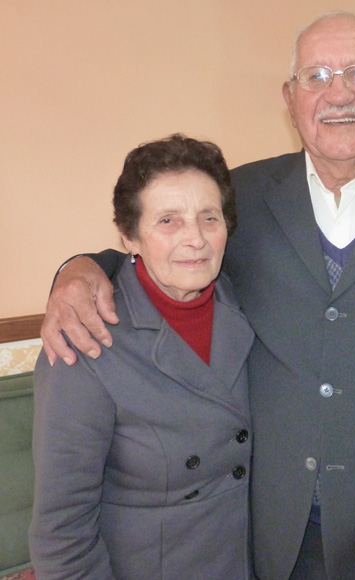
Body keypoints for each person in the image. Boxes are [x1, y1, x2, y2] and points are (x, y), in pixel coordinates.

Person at [41, 11, 355, 580]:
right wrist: (79, 270)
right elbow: (168, 249)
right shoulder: (244, 192)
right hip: (263, 529)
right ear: (290, 99)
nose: (337, 92)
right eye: (316, 76)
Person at [30, 135, 255, 579]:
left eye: (209, 218)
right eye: (168, 220)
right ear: (130, 237)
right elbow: (61, 532)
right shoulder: (85, 338)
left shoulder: (247, 300)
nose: (195, 238)